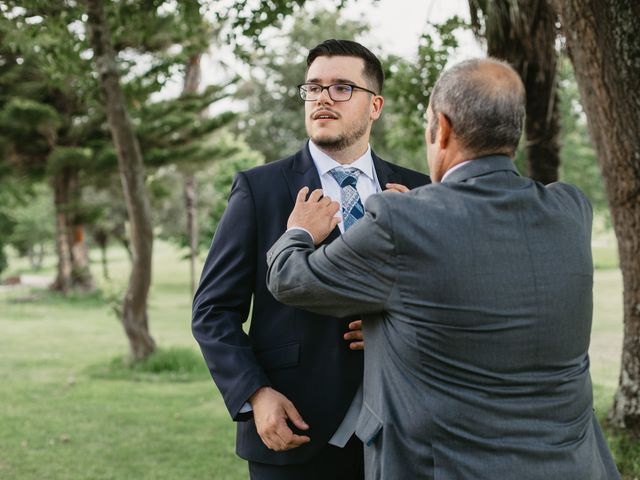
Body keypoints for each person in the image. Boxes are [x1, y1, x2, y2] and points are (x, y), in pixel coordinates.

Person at [265, 58, 620, 479]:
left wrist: (300, 233)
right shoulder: (570, 210)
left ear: (442, 128)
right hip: (572, 466)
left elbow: (291, 279)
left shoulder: (402, 221)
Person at [192, 39, 429, 479]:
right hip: (295, 429)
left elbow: (448, 299)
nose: (322, 97)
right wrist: (255, 394)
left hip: (405, 432)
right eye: (313, 87)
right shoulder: (259, 189)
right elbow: (212, 311)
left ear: (374, 105)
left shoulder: (420, 192)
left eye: (342, 87)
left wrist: (394, 318)